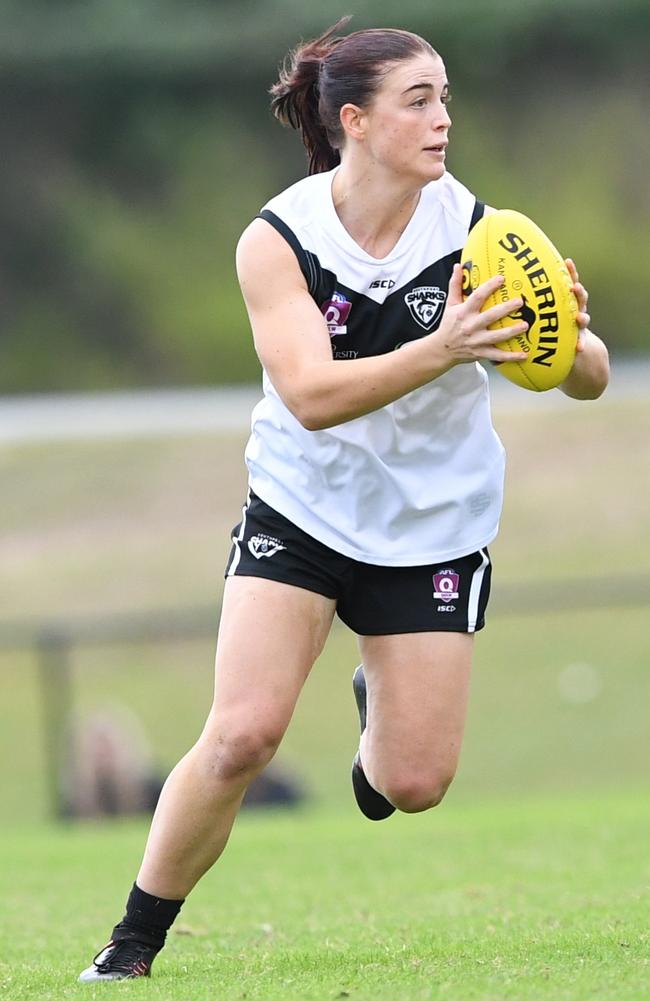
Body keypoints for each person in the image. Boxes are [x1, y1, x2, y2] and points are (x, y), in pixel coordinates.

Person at [78, 18, 609, 982]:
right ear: (355, 121)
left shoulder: (486, 235)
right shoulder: (279, 240)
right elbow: (313, 399)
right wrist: (440, 347)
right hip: (303, 506)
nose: (443, 118)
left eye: (445, 97)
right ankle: (133, 943)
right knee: (243, 731)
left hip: (434, 524)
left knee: (415, 781)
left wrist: (564, 336)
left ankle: (379, 716)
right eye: (419, 100)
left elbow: (592, 377)